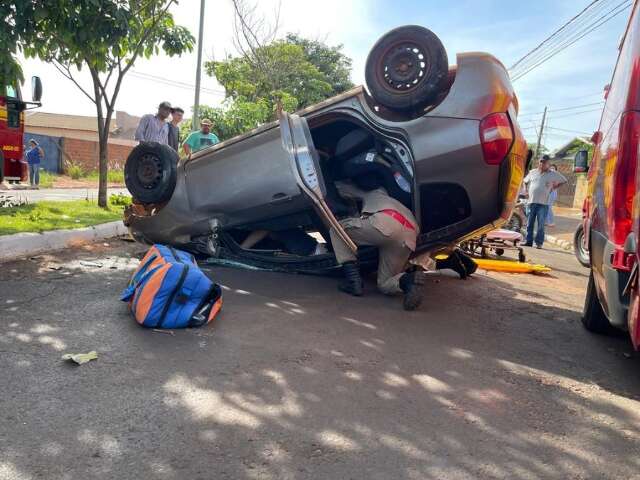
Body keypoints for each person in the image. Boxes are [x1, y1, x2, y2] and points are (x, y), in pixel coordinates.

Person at [523, 155, 567, 248]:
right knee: (529, 224)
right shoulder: (532, 172)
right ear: (539, 162)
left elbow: (564, 180)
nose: (542, 164)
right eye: (541, 161)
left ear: (548, 163)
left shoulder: (553, 173)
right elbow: (525, 181)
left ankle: (539, 243)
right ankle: (528, 241)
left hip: (543, 204)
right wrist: (526, 191)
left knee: (541, 225)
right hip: (531, 202)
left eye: (545, 162)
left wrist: (554, 187)